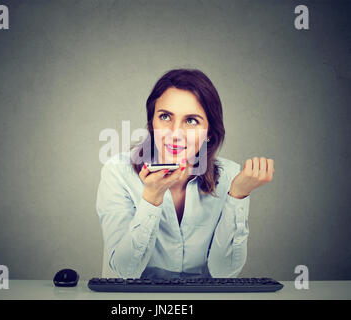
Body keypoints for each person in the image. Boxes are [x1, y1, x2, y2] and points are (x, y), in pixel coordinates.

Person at [96, 68, 275, 279]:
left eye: (191, 121)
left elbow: (224, 273)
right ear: (152, 123)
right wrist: (151, 199)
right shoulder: (118, 171)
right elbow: (125, 271)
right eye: (165, 117)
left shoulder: (231, 177)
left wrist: (237, 196)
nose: (175, 133)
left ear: (209, 132)